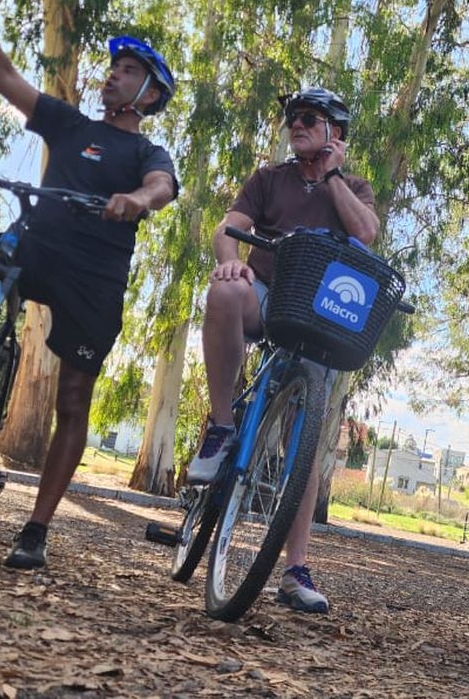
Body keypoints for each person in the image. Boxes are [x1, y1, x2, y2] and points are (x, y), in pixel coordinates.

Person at [0, 0, 179, 570]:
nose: (114, 76)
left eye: (129, 71)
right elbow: (2, 75)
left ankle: (35, 528)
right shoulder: (68, 123)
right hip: (32, 245)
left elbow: (161, 185)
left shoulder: (145, 149)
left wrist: (136, 201)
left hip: (94, 277)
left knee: (73, 401)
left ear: (151, 94)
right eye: (114, 68)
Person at [188, 87, 379, 614]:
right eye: (292, 117)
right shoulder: (267, 179)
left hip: (317, 312)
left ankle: (295, 570)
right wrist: (231, 260)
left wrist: (334, 176)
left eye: (310, 118)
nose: (296, 124)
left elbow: (367, 235)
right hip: (266, 294)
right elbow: (230, 229)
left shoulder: (354, 186)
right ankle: (223, 426)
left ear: (335, 133)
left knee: (307, 439)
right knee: (224, 290)